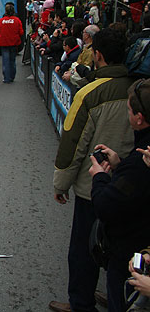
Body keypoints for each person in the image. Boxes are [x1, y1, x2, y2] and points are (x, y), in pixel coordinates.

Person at [50, 28, 135, 312]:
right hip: (135, 184)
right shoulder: (139, 87)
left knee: (85, 250)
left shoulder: (89, 93)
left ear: (97, 55)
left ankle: (81, 303)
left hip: (94, 188)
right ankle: (116, 298)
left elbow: (73, 142)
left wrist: (61, 184)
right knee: (125, 248)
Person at [87, 79, 150, 312]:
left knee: (121, 298)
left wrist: (99, 177)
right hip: (137, 244)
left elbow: (106, 206)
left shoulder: (139, 163)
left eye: (129, 110)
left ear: (139, 118)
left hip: (130, 250)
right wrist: (119, 163)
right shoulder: (139, 159)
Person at [0, 2, 23, 84]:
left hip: (3, 43)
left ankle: (6, 77)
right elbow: (21, 32)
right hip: (14, 43)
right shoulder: (17, 20)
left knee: (5, 60)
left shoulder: (0, 21)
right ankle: (12, 76)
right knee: (12, 60)